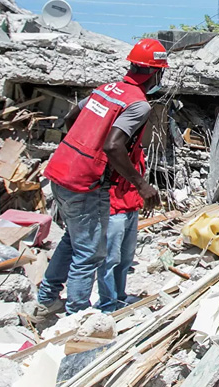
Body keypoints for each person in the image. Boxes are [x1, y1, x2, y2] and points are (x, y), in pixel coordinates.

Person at [35, 39, 165, 316]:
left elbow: (72, 117)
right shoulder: (138, 105)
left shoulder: (105, 90)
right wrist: (142, 185)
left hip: (60, 170)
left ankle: (47, 298)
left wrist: (82, 145)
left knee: (73, 239)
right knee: (90, 253)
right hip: (85, 183)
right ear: (156, 73)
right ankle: (77, 317)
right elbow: (113, 145)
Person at [95, 138, 146, 312]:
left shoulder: (136, 143)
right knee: (109, 261)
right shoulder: (113, 143)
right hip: (114, 208)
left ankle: (120, 297)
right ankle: (108, 304)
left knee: (125, 259)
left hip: (131, 206)